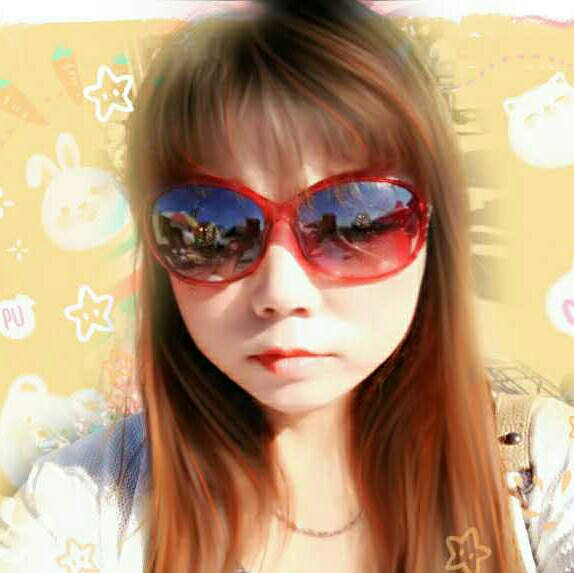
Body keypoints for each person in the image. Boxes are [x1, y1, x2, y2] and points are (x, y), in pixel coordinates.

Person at [1, 1, 574, 572]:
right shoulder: (82, 507)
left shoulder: (540, 469)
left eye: (354, 223)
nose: (281, 291)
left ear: (433, 229)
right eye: (213, 228)